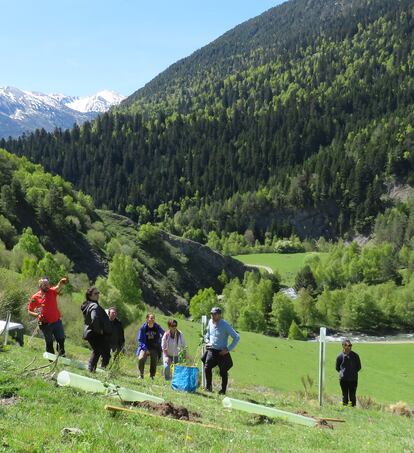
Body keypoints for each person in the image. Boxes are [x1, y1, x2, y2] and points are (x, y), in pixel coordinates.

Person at [202, 307, 240, 395]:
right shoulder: (210, 322)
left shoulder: (225, 325)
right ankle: (208, 387)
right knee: (207, 367)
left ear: (219, 315)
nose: (212, 315)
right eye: (211, 314)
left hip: (222, 352)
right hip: (212, 350)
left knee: (223, 371)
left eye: (214, 314)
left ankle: (223, 390)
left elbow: (236, 337)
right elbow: (207, 335)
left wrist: (228, 349)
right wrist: (207, 341)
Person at [28, 276, 68, 356]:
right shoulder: (35, 297)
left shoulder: (52, 291)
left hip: (56, 321)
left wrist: (61, 282)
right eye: (45, 285)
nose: (47, 286)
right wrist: (36, 314)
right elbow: (29, 311)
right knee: (49, 342)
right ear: (40, 286)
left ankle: (62, 356)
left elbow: (57, 287)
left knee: (61, 339)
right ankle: (50, 359)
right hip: (45, 324)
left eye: (48, 284)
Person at [81, 287, 112, 372]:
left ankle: (92, 370)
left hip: (91, 332)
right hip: (95, 333)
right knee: (100, 352)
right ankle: (92, 369)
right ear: (90, 296)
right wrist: (99, 330)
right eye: (95, 293)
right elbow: (94, 318)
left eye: (98, 293)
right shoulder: (94, 306)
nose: (98, 295)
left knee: (97, 351)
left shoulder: (89, 305)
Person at [136, 313, 164, 380]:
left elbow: (164, 333)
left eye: (153, 318)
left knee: (154, 360)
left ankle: (152, 376)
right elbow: (140, 340)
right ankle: (141, 374)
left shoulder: (157, 327)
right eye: (151, 318)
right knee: (141, 358)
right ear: (147, 319)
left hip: (154, 347)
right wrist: (145, 349)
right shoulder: (143, 328)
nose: (152, 319)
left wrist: (162, 342)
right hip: (145, 347)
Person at [335, 339, 362, 407]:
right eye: (347, 345)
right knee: (345, 395)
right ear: (343, 346)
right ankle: (345, 409)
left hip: (353, 379)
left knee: (352, 396)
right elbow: (337, 368)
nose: (349, 347)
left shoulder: (355, 356)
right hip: (343, 380)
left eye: (350, 345)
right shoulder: (339, 357)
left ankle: (353, 408)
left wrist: (353, 372)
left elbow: (359, 367)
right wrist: (343, 373)